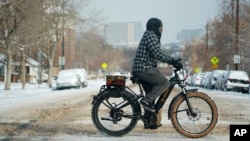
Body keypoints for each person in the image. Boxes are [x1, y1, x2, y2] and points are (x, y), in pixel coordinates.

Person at [132, 18, 181, 113]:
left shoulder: (150, 35)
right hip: (143, 69)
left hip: (144, 68)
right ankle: (145, 101)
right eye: (161, 28)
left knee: (151, 96)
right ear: (155, 27)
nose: (162, 30)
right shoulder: (150, 35)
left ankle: (150, 121)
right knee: (165, 83)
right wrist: (173, 61)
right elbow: (158, 54)